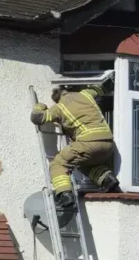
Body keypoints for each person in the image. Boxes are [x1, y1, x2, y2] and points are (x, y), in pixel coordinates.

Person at [30, 72, 119, 212]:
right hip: (108, 144)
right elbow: (103, 87)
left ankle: (65, 195)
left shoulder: (59, 107)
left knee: (58, 164)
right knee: (82, 164)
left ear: (57, 95)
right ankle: (107, 179)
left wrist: (40, 106)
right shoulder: (86, 94)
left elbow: (37, 118)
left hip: (88, 142)